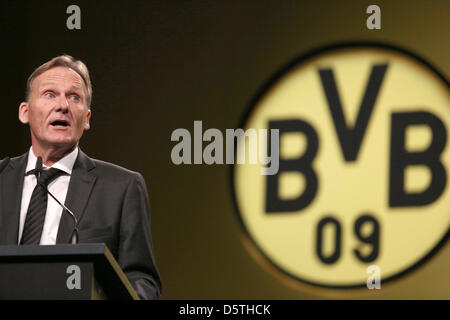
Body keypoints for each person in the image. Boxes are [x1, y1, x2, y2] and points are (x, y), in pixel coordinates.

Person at [0, 55, 161, 300]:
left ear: (86, 119)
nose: (63, 105)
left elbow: (142, 282)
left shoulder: (121, 188)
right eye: (50, 94)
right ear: (25, 112)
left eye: (74, 97)